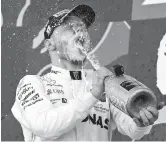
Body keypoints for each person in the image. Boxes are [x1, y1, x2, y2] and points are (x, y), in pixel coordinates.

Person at [11, 4, 164, 141]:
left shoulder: (104, 84)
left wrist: (141, 121)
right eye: (69, 27)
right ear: (50, 44)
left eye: (82, 27)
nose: (79, 31)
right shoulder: (32, 83)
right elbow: (44, 127)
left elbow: (132, 130)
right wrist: (93, 95)